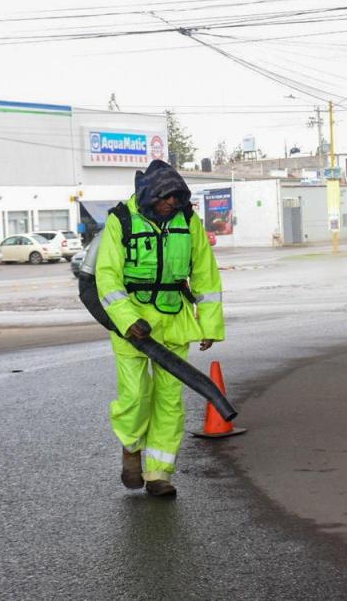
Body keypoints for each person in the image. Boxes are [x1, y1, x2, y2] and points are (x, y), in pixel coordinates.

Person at [95, 160, 225, 499]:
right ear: (150, 194)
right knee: (136, 396)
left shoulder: (187, 220)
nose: (172, 204)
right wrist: (126, 319)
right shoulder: (121, 219)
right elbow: (106, 276)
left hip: (175, 321)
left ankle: (159, 473)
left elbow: (206, 276)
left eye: (177, 199)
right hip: (133, 326)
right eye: (167, 198)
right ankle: (131, 449)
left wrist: (208, 324)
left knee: (170, 401)